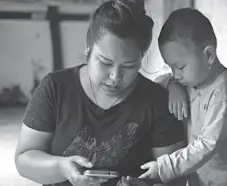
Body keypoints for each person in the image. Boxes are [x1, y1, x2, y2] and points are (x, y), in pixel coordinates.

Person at [14, 1, 185, 186]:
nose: (115, 77)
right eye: (105, 62)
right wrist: (61, 168)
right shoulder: (55, 88)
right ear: (88, 46)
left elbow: (174, 178)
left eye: (129, 66)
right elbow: (24, 159)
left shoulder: (156, 102)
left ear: (141, 56)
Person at [139, 8, 227, 186]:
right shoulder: (193, 78)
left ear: (209, 55)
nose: (175, 74)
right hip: (200, 178)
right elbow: (158, 81)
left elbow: (207, 144)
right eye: (170, 67)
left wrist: (164, 168)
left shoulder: (222, 94)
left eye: (180, 67)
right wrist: (173, 85)